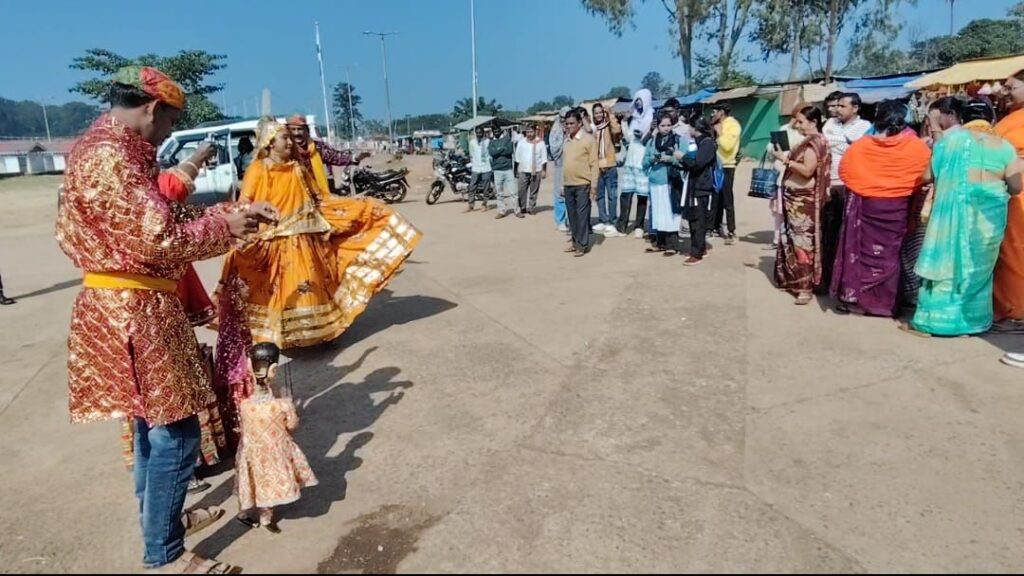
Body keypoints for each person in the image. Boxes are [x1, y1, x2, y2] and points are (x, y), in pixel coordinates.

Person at [57, 66, 279, 574]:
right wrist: (227, 229)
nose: (167, 133)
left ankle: (160, 523)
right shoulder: (112, 156)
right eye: (171, 122)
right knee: (177, 434)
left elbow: (163, 216)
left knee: (149, 425)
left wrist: (233, 210)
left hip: (126, 303)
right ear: (154, 109)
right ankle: (165, 553)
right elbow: (158, 240)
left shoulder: (105, 148)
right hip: (135, 310)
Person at [218, 118, 421, 351]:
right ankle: (287, 337)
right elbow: (244, 204)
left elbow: (319, 199)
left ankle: (322, 334)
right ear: (270, 143)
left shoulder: (298, 168)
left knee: (313, 287)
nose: (290, 141)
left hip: (306, 239)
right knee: (282, 292)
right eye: (285, 137)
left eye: (291, 136)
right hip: (274, 242)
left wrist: (353, 204)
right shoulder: (258, 169)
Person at [910, 100, 1022, 337]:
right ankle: (970, 322)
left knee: (947, 262)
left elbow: (928, 176)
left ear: (963, 120)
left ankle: (935, 322)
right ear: (992, 120)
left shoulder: (948, 142)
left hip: (951, 215)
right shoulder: (1005, 147)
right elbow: (1015, 187)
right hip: (987, 220)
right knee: (977, 268)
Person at [831, 100, 931, 317]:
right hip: (897, 207)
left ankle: (860, 301)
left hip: (869, 206)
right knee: (890, 255)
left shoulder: (861, 146)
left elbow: (846, 172)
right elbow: (924, 176)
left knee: (865, 253)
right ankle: (887, 304)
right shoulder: (916, 147)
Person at [234, 343, 317, 534]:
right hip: (275, 452)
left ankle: (243, 512)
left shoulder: (244, 405)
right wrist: (291, 409)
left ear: (249, 366)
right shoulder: (282, 405)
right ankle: (265, 519)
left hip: (250, 450)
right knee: (268, 485)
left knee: (249, 482)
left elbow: (244, 428)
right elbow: (292, 426)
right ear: (273, 369)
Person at [902, 97, 964, 309]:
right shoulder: (931, 139)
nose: (929, 121)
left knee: (925, 248)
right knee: (919, 247)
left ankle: (921, 297)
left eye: (934, 116)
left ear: (951, 115)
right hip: (931, 201)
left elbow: (936, 168)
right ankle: (916, 294)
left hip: (940, 203)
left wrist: (936, 128)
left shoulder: (956, 139)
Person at [771, 106, 831, 303]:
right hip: (793, 198)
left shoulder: (814, 143)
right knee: (793, 240)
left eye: (801, 121)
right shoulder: (807, 141)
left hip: (803, 201)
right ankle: (795, 281)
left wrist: (785, 160)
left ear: (813, 122)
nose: (797, 125)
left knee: (802, 244)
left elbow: (807, 171)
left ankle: (805, 288)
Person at [821, 92, 872, 289]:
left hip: (850, 186)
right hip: (829, 184)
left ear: (855, 108)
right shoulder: (830, 124)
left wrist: (839, 144)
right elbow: (825, 145)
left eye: (842, 106)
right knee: (828, 231)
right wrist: (845, 143)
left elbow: (858, 151)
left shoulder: (865, 127)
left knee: (848, 234)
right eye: (837, 106)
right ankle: (826, 278)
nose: (837, 110)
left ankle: (844, 280)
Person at [993, 69, 1024, 330]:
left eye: (1010, 87)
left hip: (1019, 194)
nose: (1003, 92)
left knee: (1015, 250)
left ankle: (1015, 311)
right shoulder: (1012, 117)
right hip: (1006, 192)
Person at [285, 115, 369, 197]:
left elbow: (335, 156)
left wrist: (356, 157)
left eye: (300, 129)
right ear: (288, 131)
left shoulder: (317, 147)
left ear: (306, 130)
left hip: (316, 192)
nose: (296, 133)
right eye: (293, 129)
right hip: (293, 193)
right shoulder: (285, 149)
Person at [680, 115, 719, 266]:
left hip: (701, 187)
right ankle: (700, 248)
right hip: (694, 185)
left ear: (695, 128)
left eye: (689, 126)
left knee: (698, 220)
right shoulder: (698, 142)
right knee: (694, 217)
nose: (688, 129)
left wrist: (683, 157)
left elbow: (697, 164)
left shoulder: (707, 143)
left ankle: (697, 253)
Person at [643, 111, 684, 254]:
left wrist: (671, 159)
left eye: (669, 125)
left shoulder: (678, 140)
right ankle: (660, 243)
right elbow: (644, 161)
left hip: (670, 181)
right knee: (658, 212)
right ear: (657, 126)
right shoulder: (652, 142)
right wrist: (653, 159)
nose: (666, 128)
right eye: (662, 125)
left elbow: (685, 160)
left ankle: (672, 244)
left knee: (671, 212)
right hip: (656, 181)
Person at [768, 104, 808, 250]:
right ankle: (777, 238)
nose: (796, 121)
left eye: (800, 119)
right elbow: (771, 146)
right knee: (778, 210)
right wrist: (776, 149)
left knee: (796, 212)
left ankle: (793, 240)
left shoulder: (807, 135)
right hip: (781, 175)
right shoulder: (785, 128)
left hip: (797, 177)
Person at [562, 109, 599, 257]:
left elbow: (594, 163)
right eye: (567, 124)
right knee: (572, 216)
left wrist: (594, 185)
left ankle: (582, 245)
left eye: (572, 123)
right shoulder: (567, 141)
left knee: (582, 215)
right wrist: (562, 184)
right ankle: (575, 242)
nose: (569, 126)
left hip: (583, 183)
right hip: (568, 183)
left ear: (579, 123)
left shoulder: (588, 140)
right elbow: (565, 164)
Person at [617, 89, 654, 238]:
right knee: (626, 194)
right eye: (636, 101)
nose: (638, 104)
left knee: (642, 195)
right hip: (631, 161)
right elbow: (628, 137)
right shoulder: (634, 118)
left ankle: (639, 225)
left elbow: (649, 139)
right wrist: (624, 121)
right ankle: (622, 225)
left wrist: (645, 134)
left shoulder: (651, 117)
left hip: (643, 161)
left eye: (640, 101)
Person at [711, 103, 742, 244]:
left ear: (722, 112)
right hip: (715, 164)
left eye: (715, 111)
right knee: (715, 198)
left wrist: (720, 133)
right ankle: (715, 226)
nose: (713, 114)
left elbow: (728, 146)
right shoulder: (716, 125)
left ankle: (731, 231)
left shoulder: (733, 125)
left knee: (727, 198)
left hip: (727, 165)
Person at [591, 102, 623, 236]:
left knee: (612, 195)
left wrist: (610, 114)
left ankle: (612, 221)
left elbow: (617, 130)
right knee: (599, 195)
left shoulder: (609, 126)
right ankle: (603, 219)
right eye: (596, 113)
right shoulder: (593, 129)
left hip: (610, 165)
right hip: (597, 166)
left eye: (600, 112)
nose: (598, 115)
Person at [514, 124, 547, 215]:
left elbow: (544, 158)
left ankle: (531, 207)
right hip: (523, 170)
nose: (529, 134)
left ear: (535, 132)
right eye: (528, 132)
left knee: (534, 191)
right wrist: (516, 170)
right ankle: (522, 207)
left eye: (531, 132)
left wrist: (544, 170)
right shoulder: (521, 142)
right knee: (521, 190)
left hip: (536, 170)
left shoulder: (541, 143)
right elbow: (517, 157)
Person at [489, 126, 520, 219]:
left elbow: (509, 151)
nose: (496, 132)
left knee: (513, 192)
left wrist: (498, 150)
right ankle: (501, 211)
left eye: (497, 130)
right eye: (494, 131)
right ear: (493, 132)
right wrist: (502, 149)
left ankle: (517, 211)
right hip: (497, 170)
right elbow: (492, 153)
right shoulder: (491, 142)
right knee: (499, 193)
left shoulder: (507, 139)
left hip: (508, 169)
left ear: (501, 131)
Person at [548, 108, 570, 232]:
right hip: (560, 164)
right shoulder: (556, 129)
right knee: (560, 193)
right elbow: (554, 148)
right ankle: (560, 220)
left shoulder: (573, 127)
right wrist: (564, 139)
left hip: (574, 164)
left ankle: (571, 219)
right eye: (562, 118)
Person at [467, 126, 493, 212]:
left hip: (486, 167)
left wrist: (489, 161)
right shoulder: (472, 142)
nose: (479, 134)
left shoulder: (488, 141)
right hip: (476, 167)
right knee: (472, 186)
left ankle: (484, 204)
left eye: (480, 132)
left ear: (483, 133)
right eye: (477, 133)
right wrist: (473, 163)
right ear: (475, 133)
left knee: (486, 188)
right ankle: (471, 205)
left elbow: (490, 153)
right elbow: (471, 154)